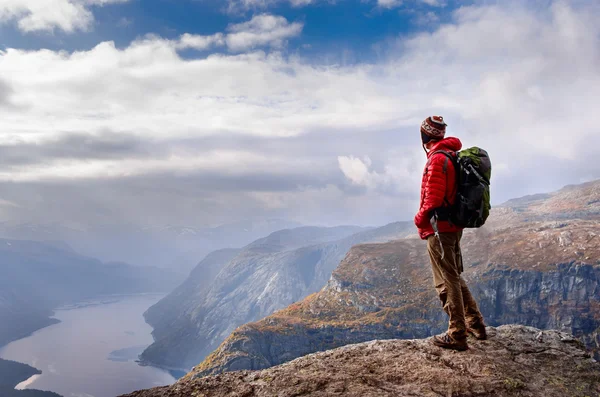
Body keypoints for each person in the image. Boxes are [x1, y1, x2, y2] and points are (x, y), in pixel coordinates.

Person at [414, 115, 487, 351]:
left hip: (440, 228)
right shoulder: (450, 154)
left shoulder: (437, 159)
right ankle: (474, 322)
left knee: (446, 279)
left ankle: (457, 332)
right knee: (454, 274)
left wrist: (419, 219)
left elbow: (433, 199)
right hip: (452, 226)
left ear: (425, 135)